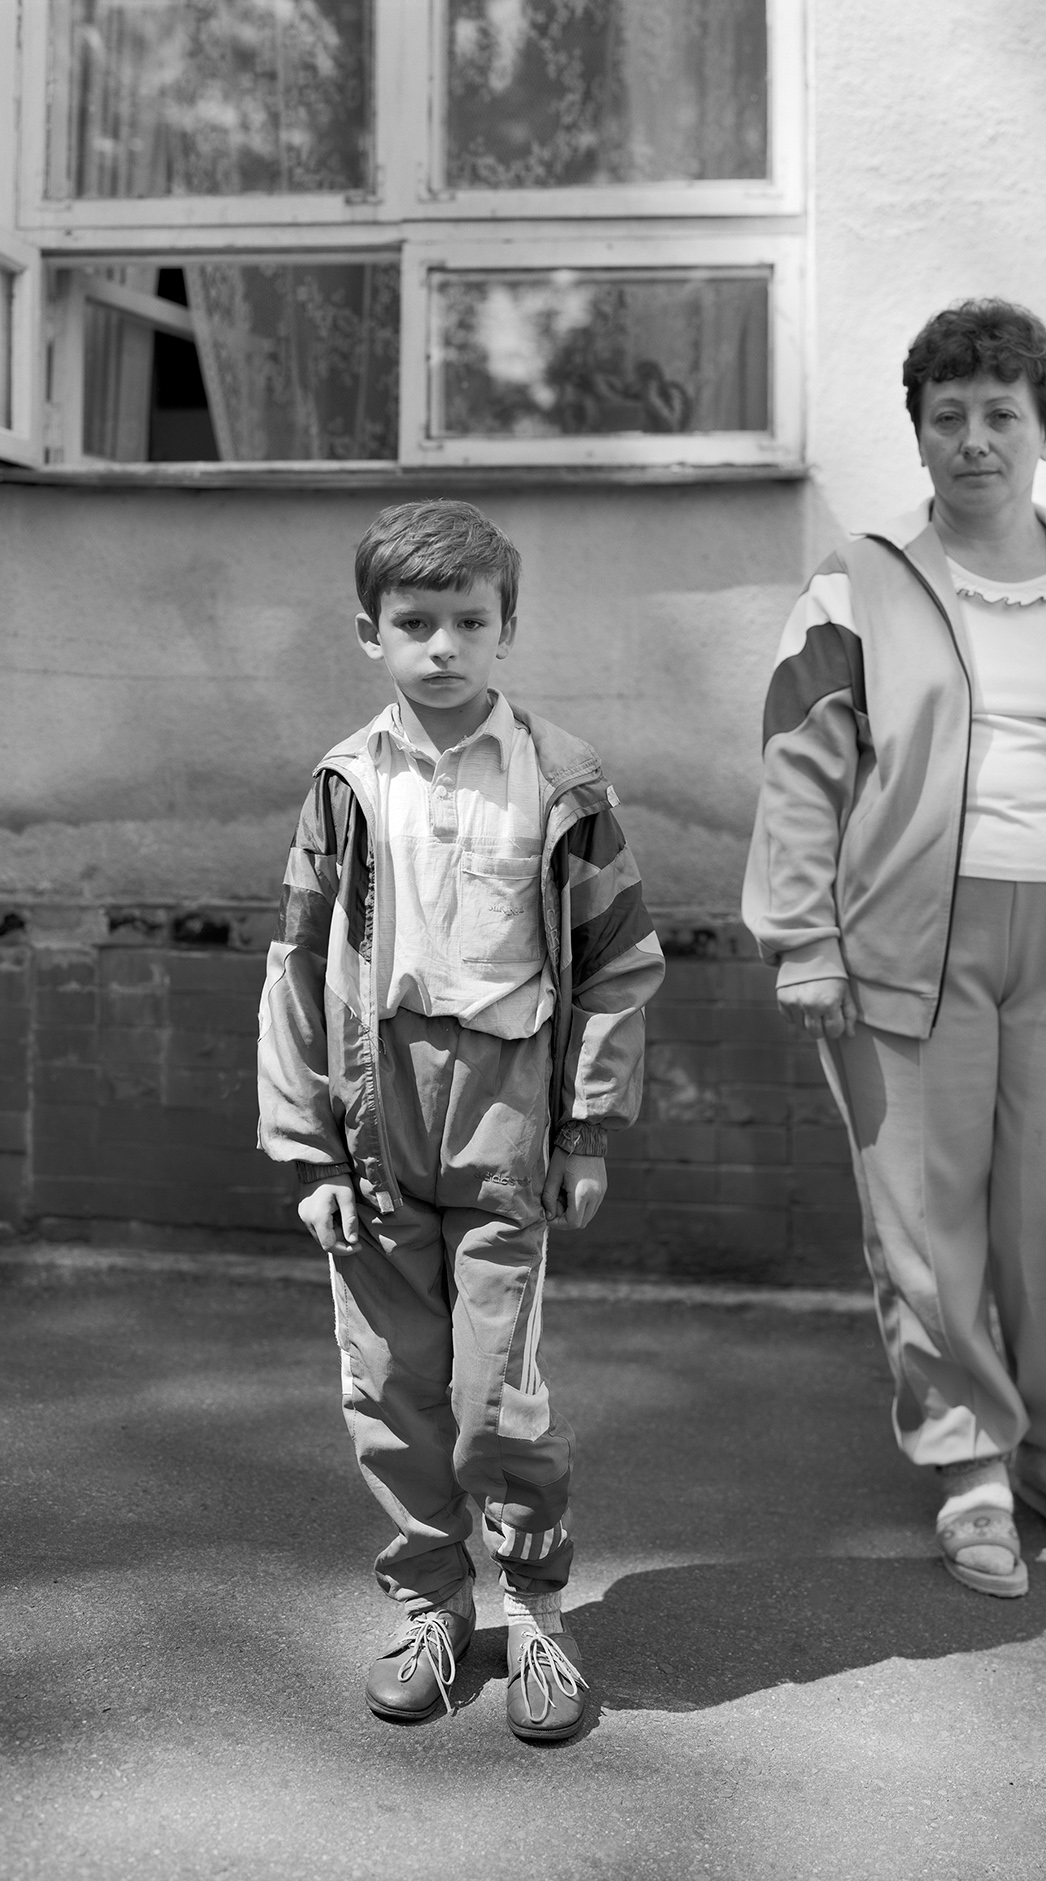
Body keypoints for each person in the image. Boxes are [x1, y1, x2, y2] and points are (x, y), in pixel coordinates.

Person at [744, 299, 1046, 1597]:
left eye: (998, 414)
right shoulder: (859, 580)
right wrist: (806, 940)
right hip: (908, 950)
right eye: (945, 415)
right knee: (925, 1226)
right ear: (918, 431)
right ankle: (966, 1467)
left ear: (1042, 428)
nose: (972, 440)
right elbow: (799, 768)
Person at [257, 499, 664, 1733]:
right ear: (369, 634)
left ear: (507, 630)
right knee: (391, 1383)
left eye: (467, 622)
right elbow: (292, 960)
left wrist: (585, 1128)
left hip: (504, 1118)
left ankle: (536, 1610)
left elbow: (617, 959)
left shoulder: (564, 780)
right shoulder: (344, 784)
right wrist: (305, 1146)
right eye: (413, 623)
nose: (441, 645)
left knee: (498, 1395)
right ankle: (433, 1601)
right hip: (378, 1116)